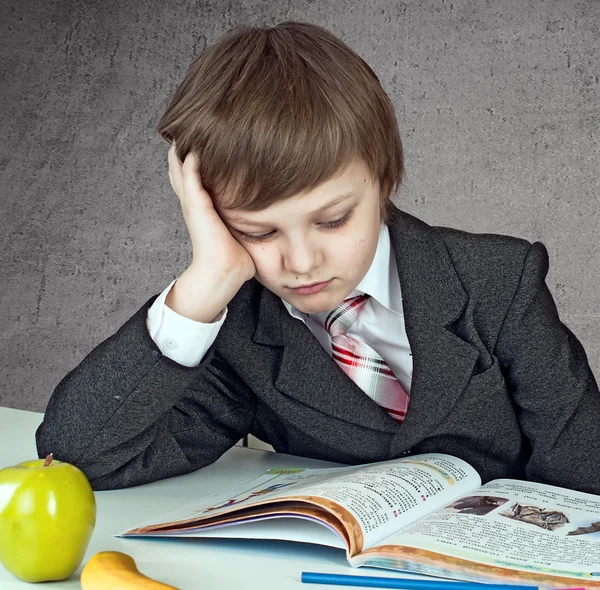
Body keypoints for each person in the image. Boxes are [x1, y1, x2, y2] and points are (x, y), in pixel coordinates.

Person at [35, 21, 600, 493]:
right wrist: (203, 286)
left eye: (333, 220)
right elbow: (77, 457)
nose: (301, 261)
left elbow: (583, 473)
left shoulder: (498, 282)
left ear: (384, 180)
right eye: (258, 232)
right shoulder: (238, 328)